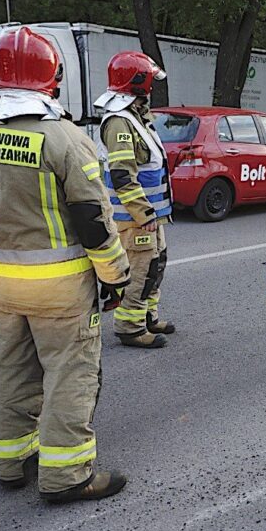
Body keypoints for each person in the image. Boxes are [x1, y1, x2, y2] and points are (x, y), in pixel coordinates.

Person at [0, 27, 131, 503]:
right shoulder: (64, 139)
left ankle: (12, 462)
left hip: (3, 281)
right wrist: (115, 276)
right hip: (62, 287)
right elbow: (93, 218)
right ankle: (67, 476)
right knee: (70, 374)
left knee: (10, 369)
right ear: (53, 78)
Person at [94, 51, 174, 348]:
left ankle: (147, 316)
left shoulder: (136, 116)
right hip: (134, 218)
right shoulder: (119, 123)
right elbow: (122, 175)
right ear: (138, 83)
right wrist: (143, 214)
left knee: (156, 265)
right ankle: (130, 327)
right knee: (141, 270)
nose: (152, 88)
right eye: (149, 81)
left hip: (150, 214)